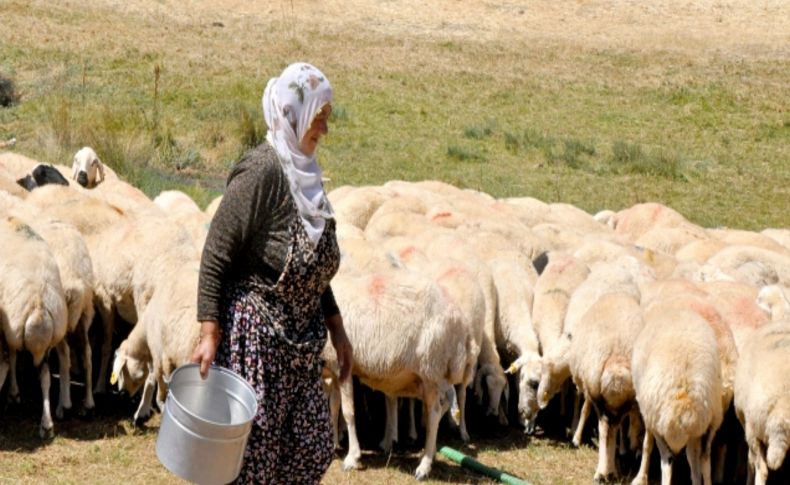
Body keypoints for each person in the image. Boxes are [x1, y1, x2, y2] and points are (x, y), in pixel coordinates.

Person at [191, 62, 353, 484]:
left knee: (314, 447)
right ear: (293, 112)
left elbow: (313, 267)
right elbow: (216, 254)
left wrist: (337, 329)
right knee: (255, 464)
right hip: (256, 345)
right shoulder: (262, 171)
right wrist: (209, 333)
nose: (324, 130)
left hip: (301, 347)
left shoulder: (309, 179)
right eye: (319, 120)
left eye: (325, 120)